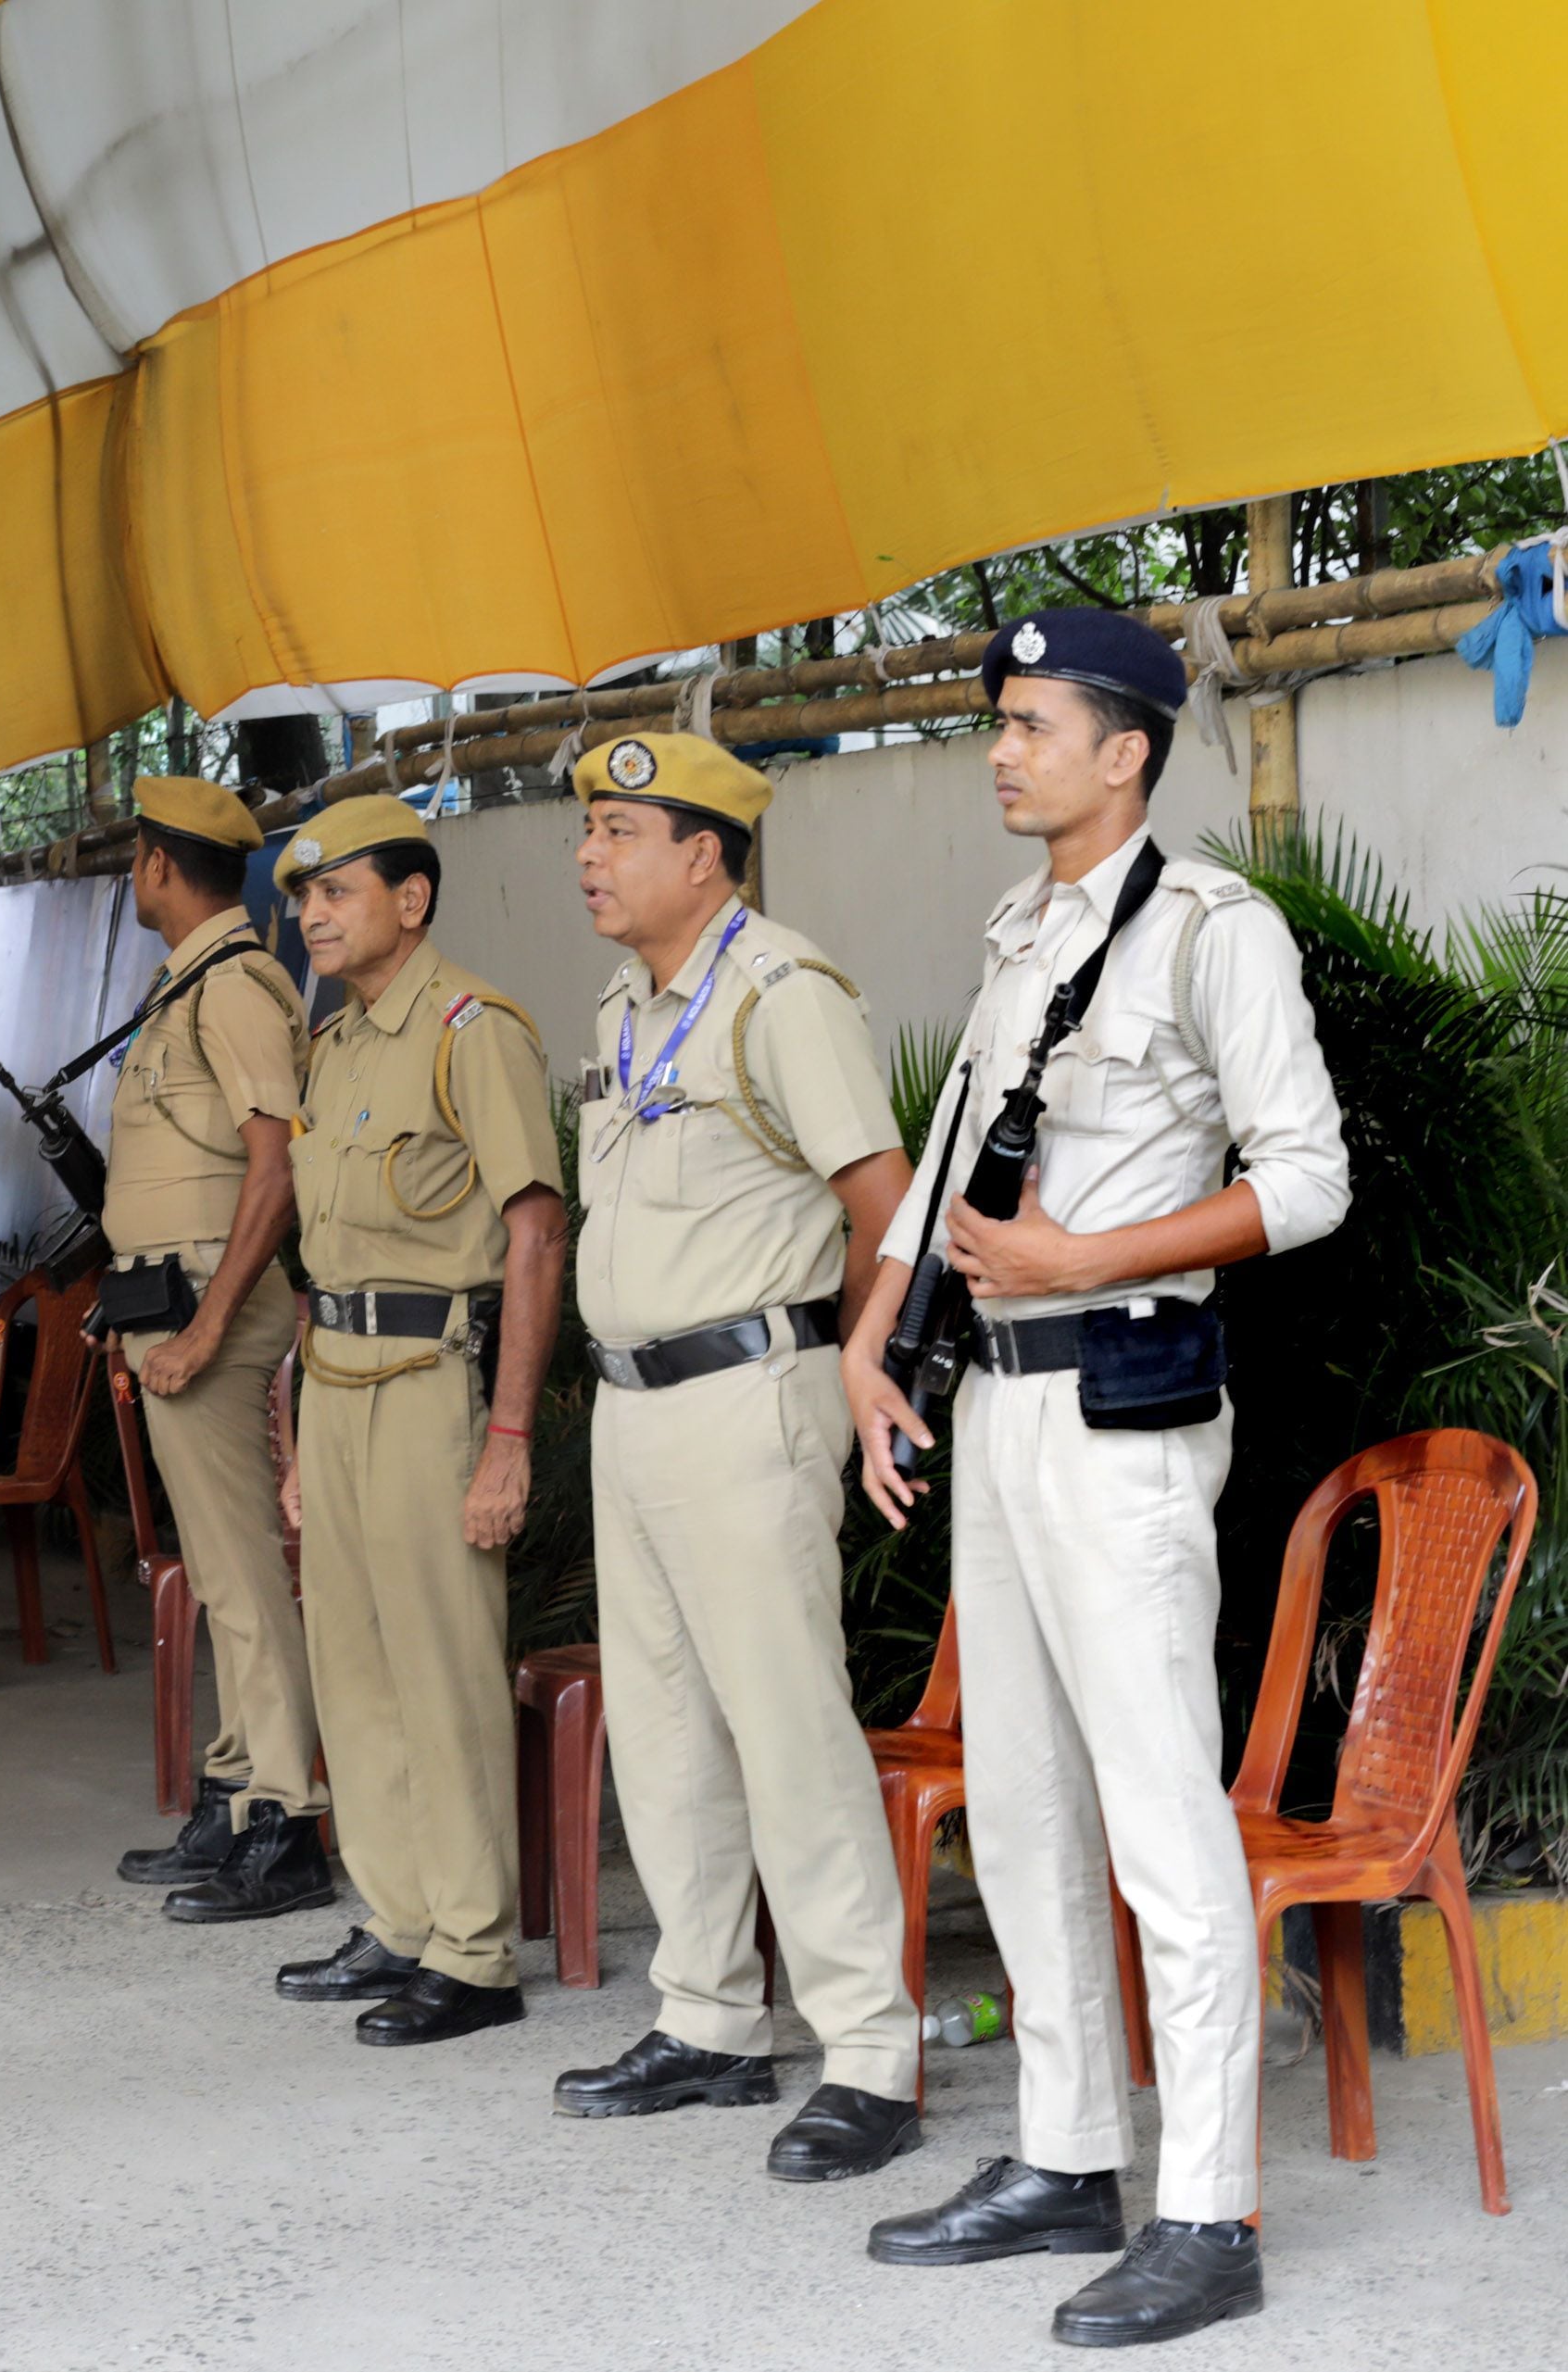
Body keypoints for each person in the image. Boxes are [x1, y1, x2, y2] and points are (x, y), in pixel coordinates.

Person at [845, 612, 1348, 2346]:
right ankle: (1064, 2157)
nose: (998, 748)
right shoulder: (1016, 936)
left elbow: (1303, 1184)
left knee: (1152, 1813)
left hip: (1121, 1414)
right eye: (995, 721)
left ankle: (1204, 2211)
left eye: (1029, 723)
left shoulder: (1214, 931)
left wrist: (1088, 1257)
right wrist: (868, 1341)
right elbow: (941, 1195)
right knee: (1028, 1796)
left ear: (1121, 750)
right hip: (988, 1412)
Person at [552, 732, 923, 2177]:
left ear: (701, 853)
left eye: (619, 832)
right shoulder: (620, 1002)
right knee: (660, 1726)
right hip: (631, 1407)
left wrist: (855, 1356)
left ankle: (870, 2054)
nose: (588, 856)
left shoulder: (781, 992)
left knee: (783, 1725)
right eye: (586, 833)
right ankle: (705, 2021)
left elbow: (881, 1201)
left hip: (744, 1394)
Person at [270, 794, 567, 2044]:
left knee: (440, 1667)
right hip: (333, 1383)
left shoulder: (470, 1030)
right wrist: (291, 1441)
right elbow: (316, 1254)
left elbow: (534, 1231)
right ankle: (394, 1918)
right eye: (302, 896)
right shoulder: (328, 1046)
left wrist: (505, 1439)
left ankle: (472, 1948)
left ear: (410, 899)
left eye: (333, 891)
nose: (310, 915)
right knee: (352, 1662)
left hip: (428, 1379)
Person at [96, 777, 330, 1921]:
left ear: (157, 866)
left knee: (241, 1581)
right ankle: (239, 1789)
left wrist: (200, 1324)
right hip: (171, 1302)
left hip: (207, 1310)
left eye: (135, 856)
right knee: (224, 1570)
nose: (130, 872)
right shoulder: (188, 984)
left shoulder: (234, 987)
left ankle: (286, 1821)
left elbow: (273, 1168)